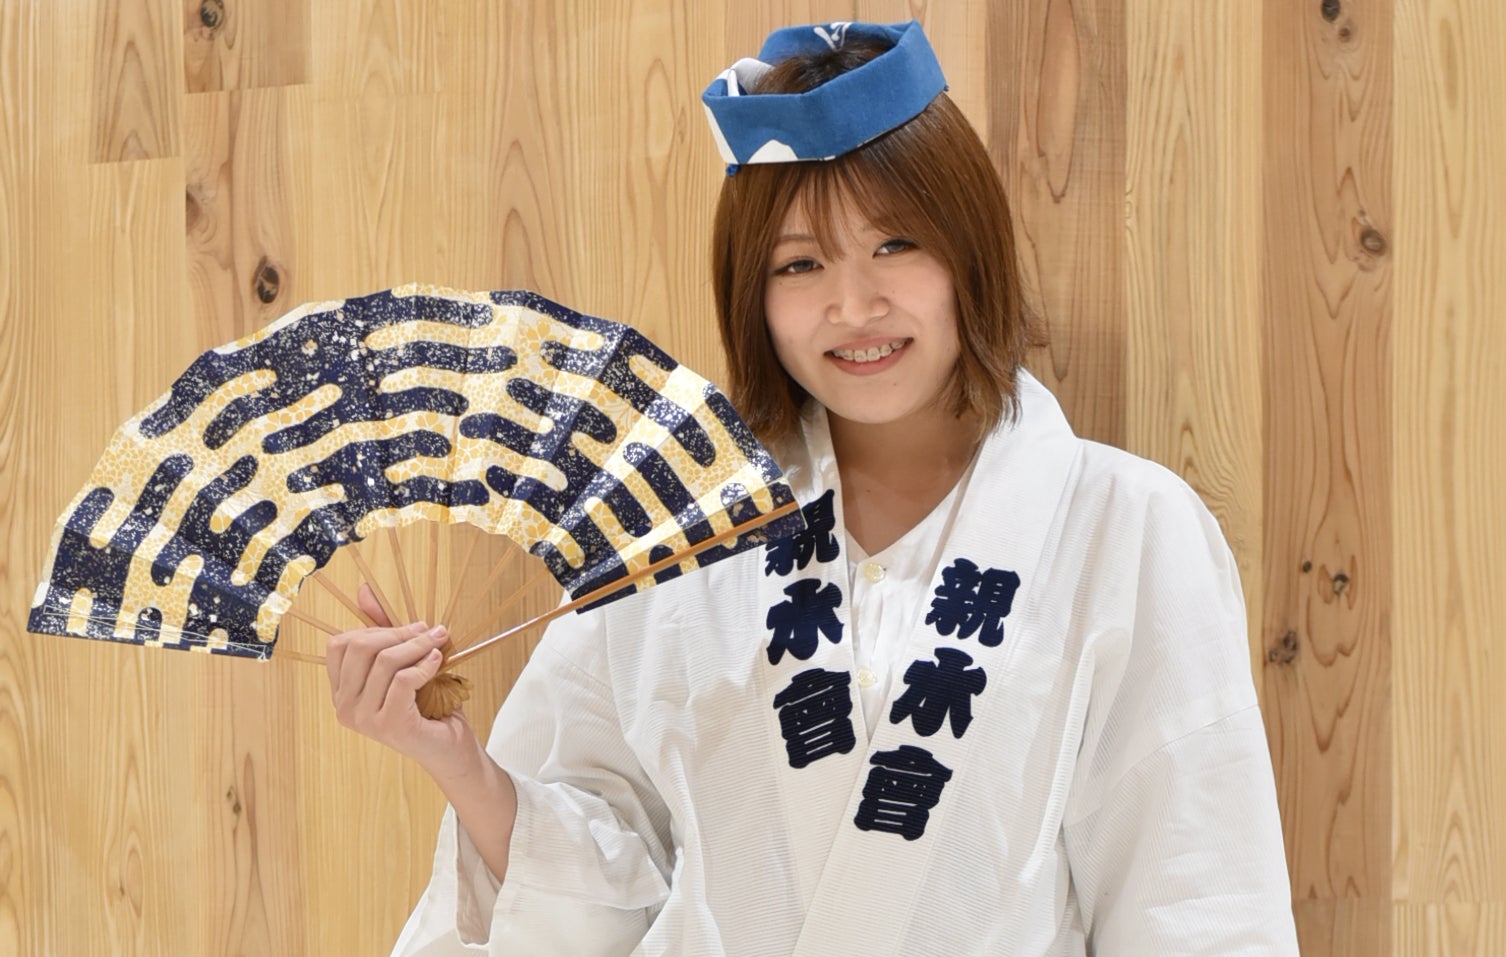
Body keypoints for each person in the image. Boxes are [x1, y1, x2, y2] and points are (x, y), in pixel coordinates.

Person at [326, 20, 1300, 956]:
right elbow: (600, 894)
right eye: (800, 263)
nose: (853, 305)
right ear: (754, 295)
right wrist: (455, 759)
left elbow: (1199, 901)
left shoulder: (1129, 532)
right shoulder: (677, 543)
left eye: (895, 244)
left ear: (971, 250)